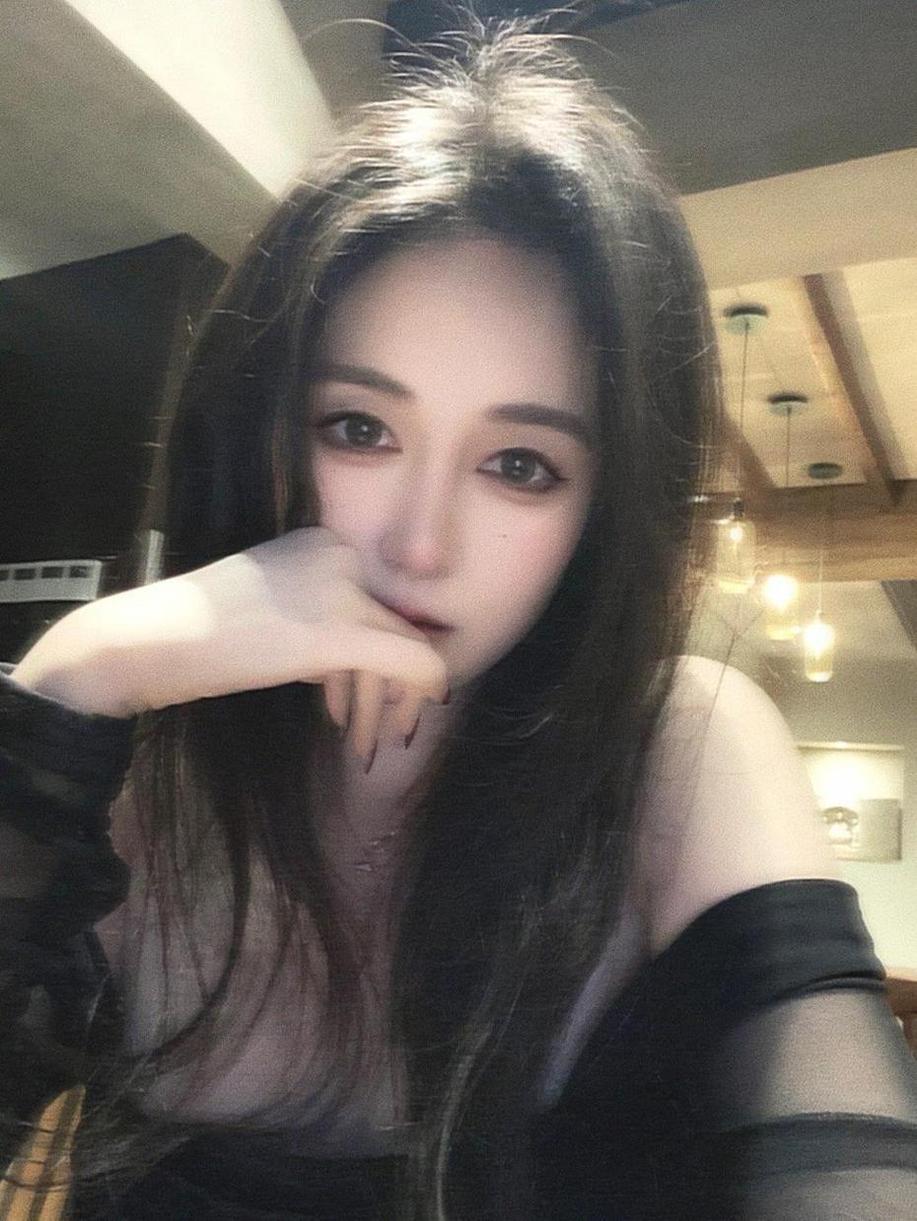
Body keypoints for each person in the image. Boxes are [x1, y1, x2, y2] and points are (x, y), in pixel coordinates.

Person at [1, 11, 916, 1220]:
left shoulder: (681, 749)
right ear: (265, 435)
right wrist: (79, 670)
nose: (420, 545)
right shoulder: (135, 778)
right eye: (358, 429)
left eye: (520, 465)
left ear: (599, 513)